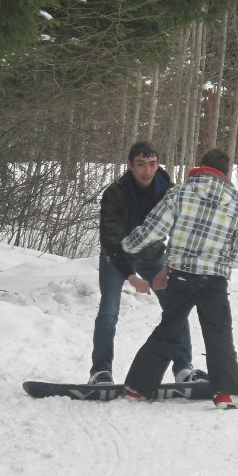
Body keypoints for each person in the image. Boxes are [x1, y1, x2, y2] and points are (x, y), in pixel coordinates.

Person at [120, 148, 238, 409]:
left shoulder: (180, 192)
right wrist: (220, 262)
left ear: (200, 166)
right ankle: (226, 393)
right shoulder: (235, 201)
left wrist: (125, 245)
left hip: (180, 276)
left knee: (169, 329)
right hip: (214, 279)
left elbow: (153, 230)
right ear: (226, 173)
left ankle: (138, 387)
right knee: (218, 334)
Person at [89, 140, 199, 385]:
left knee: (176, 309)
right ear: (130, 165)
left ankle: (183, 368)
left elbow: (181, 234)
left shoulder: (168, 191)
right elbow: (109, 239)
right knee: (108, 311)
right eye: (141, 164)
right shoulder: (115, 193)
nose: (147, 171)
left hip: (154, 256)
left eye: (152, 164)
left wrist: (167, 266)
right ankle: (100, 371)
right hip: (117, 256)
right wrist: (130, 275)